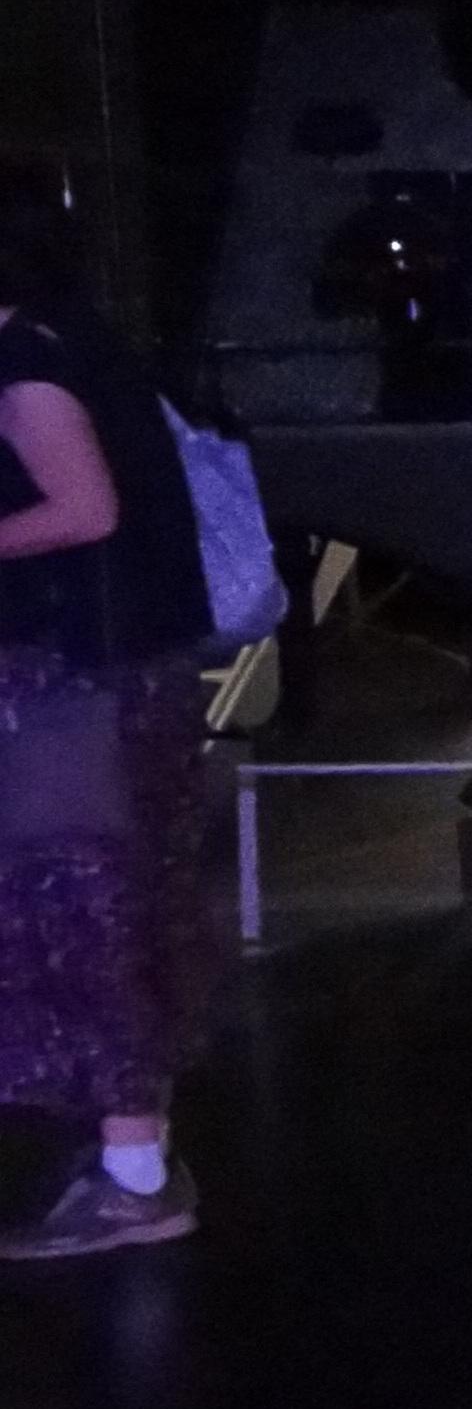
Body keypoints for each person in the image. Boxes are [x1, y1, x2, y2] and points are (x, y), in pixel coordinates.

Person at [0, 184, 221, 1259]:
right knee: (127, 904)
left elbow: (84, 509)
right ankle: (134, 1157)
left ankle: (137, 1181)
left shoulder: (26, 364)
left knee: (82, 911)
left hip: (75, 683)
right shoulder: (75, 339)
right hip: (129, 672)